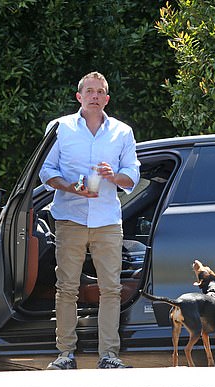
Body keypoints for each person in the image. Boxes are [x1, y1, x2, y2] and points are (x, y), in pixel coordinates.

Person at [39, 71, 140, 369]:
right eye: (90, 91)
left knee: (111, 288)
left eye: (100, 92)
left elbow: (132, 174)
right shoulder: (60, 128)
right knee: (67, 287)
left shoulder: (123, 132)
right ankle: (65, 355)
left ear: (107, 99)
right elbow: (46, 170)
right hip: (70, 216)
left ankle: (109, 356)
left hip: (107, 220)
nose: (95, 96)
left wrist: (114, 176)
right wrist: (70, 186)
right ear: (79, 96)